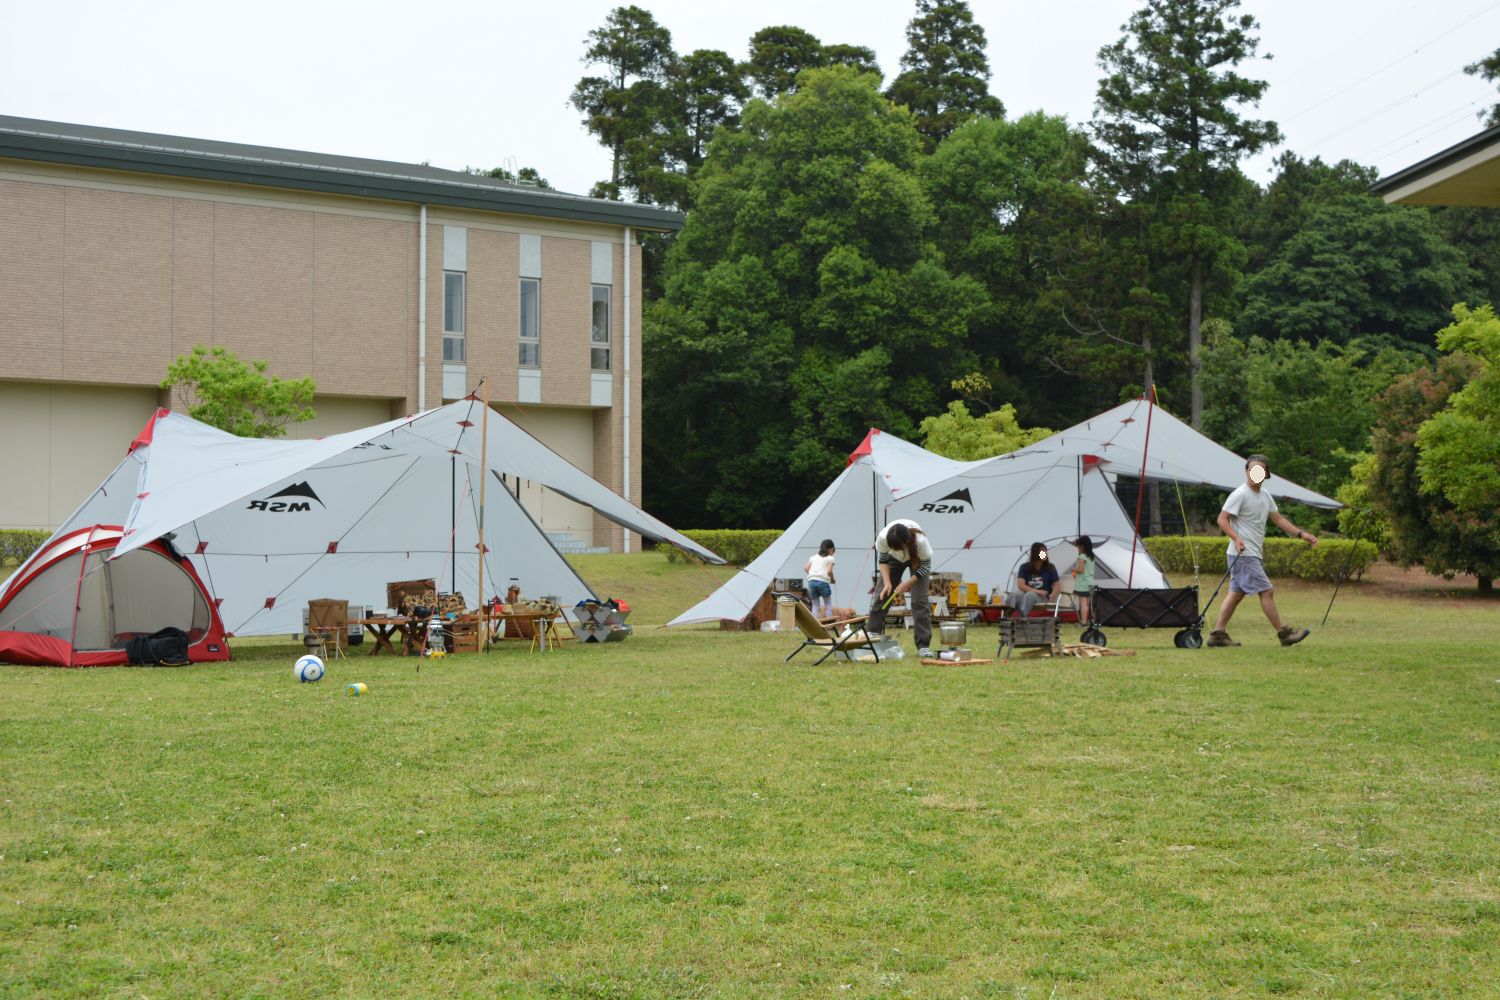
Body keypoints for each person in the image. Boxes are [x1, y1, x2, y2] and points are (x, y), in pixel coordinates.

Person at [1208, 454, 1320, 647]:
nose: (1256, 474)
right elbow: (1222, 519)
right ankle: (1283, 634)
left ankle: (1217, 634)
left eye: (1261, 470)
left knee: (1236, 594)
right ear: (1247, 472)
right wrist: (1236, 538)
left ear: (1266, 474)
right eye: (1253, 470)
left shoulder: (1265, 495)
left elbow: (1279, 519)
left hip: (1250, 553)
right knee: (1266, 591)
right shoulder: (1240, 494)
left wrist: (1301, 534)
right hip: (1243, 553)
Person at [866, 519, 935, 657]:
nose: (893, 550)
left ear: (906, 542)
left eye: (896, 548)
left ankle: (923, 646)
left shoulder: (920, 542)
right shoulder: (883, 538)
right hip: (893, 561)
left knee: (919, 601)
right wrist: (887, 583)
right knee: (881, 595)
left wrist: (906, 584)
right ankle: (871, 639)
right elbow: (883, 560)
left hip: (918, 561)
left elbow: (926, 567)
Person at [1005, 541, 1060, 615]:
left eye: (1046, 551)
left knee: (1030, 594)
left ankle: (1022, 616)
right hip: (1027, 594)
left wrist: (1051, 597)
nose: (1046, 554)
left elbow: (1057, 585)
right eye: (1043, 552)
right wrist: (1036, 591)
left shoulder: (1050, 567)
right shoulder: (1024, 567)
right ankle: (1008, 612)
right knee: (1016, 594)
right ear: (1035, 553)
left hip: (1042, 598)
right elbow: (1021, 585)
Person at [803, 539, 836, 619]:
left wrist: (814, 575)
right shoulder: (830, 558)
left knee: (815, 605)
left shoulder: (813, 557)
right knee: (827, 603)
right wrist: (832, 579)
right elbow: (829, 571)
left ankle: (815, 624)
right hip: (823, 583)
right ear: (831, 549)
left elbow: (805, 568)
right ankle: (829, 623)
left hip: (811, 582)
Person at [1070, 536, 1096, 625]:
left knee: (1083, 602)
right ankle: (1087, 620)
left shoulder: (1082, 556)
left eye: (1078, 546)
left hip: (1083, 583)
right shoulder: (1091, 556)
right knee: (1087, 603)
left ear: (1082, 546)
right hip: (1090, 581)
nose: (1077, 549)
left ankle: (1083, 622)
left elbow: (1081, 569)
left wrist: (1073, 569)